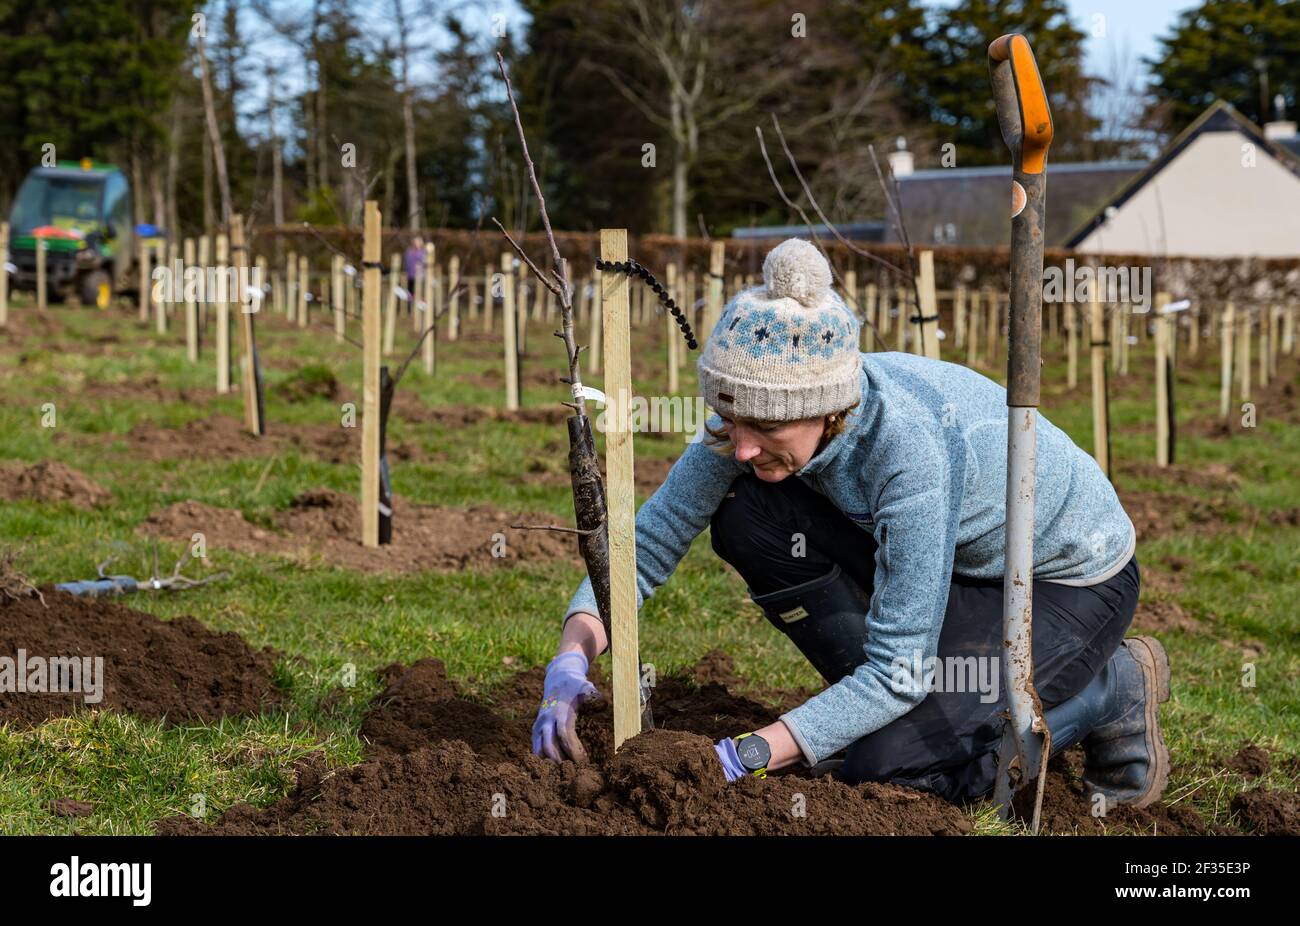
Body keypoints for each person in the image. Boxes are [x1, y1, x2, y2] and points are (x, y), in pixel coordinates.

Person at [532, 238, 1170, 810]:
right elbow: (647, 546)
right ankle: (875, 712)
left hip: (1064, 581)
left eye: (767, 429)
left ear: (827, 410)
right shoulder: (748, 415)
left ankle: (1113, 687)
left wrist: (747, 755)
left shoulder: (908, 452)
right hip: (957, 562)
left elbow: (898, 672)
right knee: (747, 512)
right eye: (734, 423)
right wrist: (572, 655)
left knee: (888, 767)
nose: (745, 447)